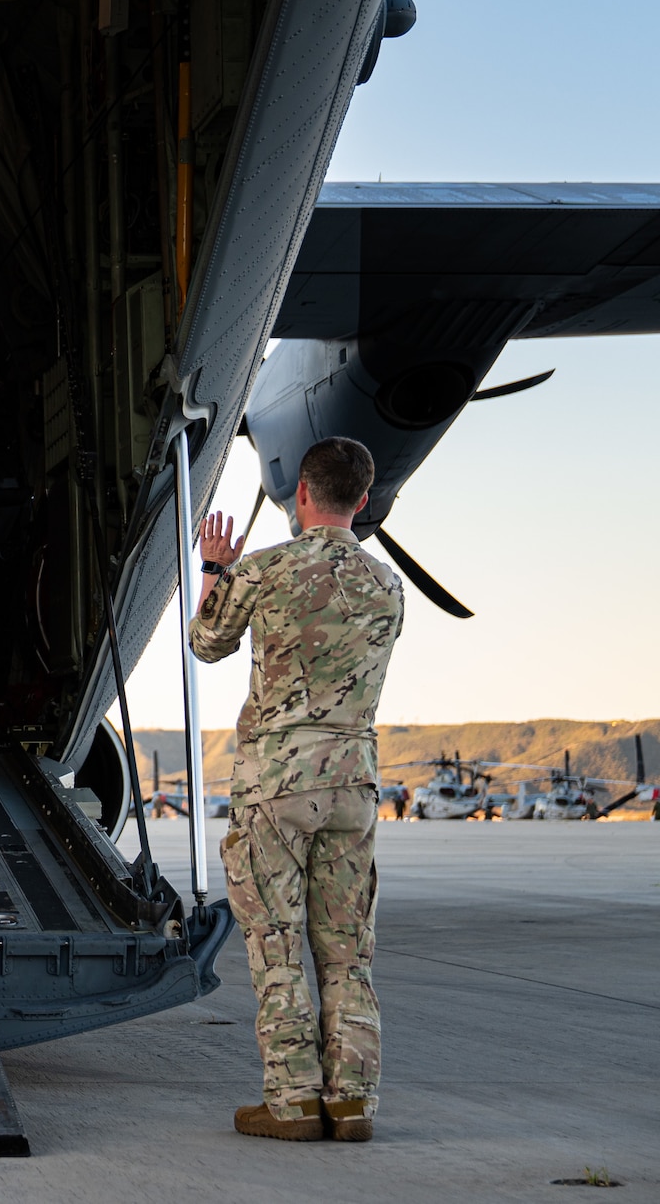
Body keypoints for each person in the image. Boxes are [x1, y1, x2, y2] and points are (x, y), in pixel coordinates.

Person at [190, 436, 404, 1145]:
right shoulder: (387, 585)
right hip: (353, 783)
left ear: (300, 495)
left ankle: (291, 1099)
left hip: (277, 786)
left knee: (276, 940)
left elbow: (206, 641)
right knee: (348, 945)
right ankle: (352, 1101)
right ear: (363, 500)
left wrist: (215, 570)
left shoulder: (266, 568)